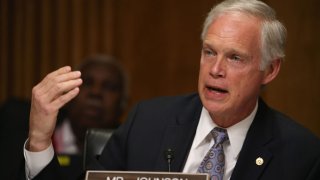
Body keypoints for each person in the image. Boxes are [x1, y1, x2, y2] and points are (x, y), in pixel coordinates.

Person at [23, 0, 320, 180]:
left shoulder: (300, 154)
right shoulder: (148, 122)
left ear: (270, 70)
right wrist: (38, 140)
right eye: (209, 52)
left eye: (235, 57)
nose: (216, 69)